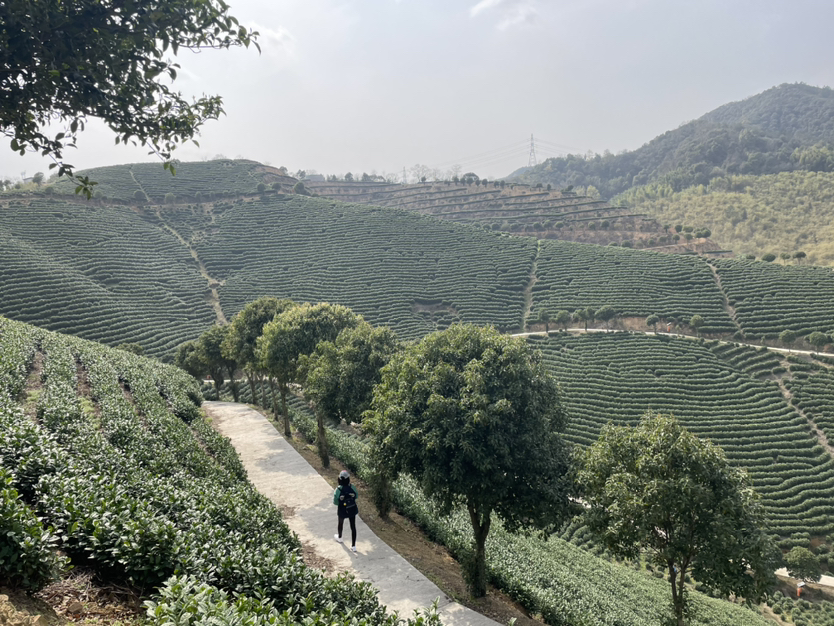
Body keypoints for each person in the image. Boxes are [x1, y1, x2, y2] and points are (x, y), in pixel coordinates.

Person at [333, 469, 359, 552]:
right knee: (353, 526)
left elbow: (335, 502)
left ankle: (340, 537)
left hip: (342, 509)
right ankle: (353, 546)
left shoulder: (338, 490)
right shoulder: (352, 487)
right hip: (352, 508)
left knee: (340, 523)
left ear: (339, 479)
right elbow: (356, 496)